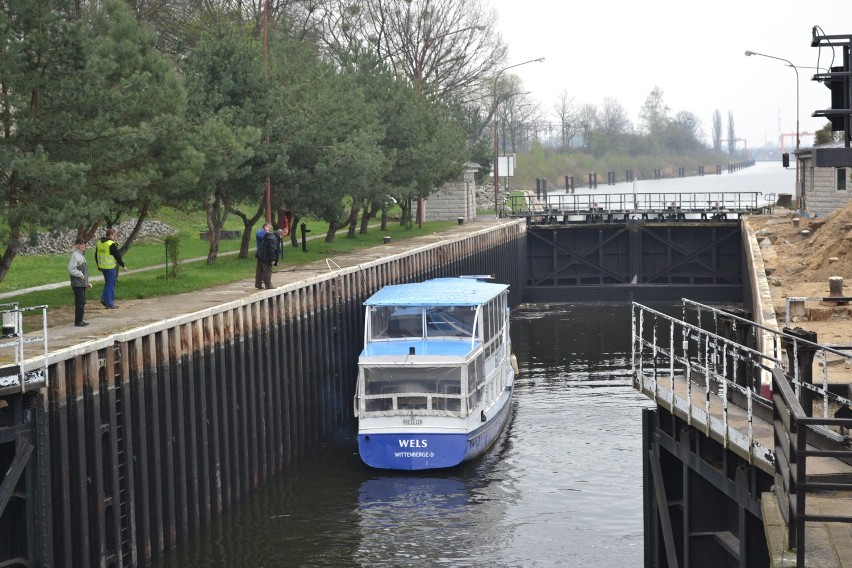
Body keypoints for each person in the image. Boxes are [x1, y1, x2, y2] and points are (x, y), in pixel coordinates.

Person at [95, 227, 128, 309]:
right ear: (111, 235)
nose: (115, 237)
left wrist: (98, 265)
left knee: (107, 283)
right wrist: (123, 265)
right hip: (110, 267)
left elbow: (96, 255)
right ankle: (109, 303)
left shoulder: (99, 243)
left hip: (102, 266)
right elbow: (117, 256)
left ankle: (104, 299)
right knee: (110, 284)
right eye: (114, 235)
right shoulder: (111, 244)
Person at [68, 238, 93, 327]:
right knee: (80, 302)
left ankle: (80, 319)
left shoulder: (81, 256)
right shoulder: (75, 255)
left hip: (81, 283)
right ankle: (78, 321)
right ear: (76, 245)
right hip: (77, 283)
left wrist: (86, 283)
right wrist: (80, 274)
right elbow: (71, 269)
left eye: (84, 244)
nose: (83, 246)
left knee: (82, 302)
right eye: (81, 244)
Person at [255, 222, 272, 289]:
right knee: (265, 269)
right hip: (261, 253)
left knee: (260, 269)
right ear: (265, 226)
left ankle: (258, 284)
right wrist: (267, 232)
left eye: (270, 228)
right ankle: (267, 285)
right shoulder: (260, 232)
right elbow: (264, 237)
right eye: (268, 227)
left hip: (262, 253)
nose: (269, 229)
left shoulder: (265, 232)